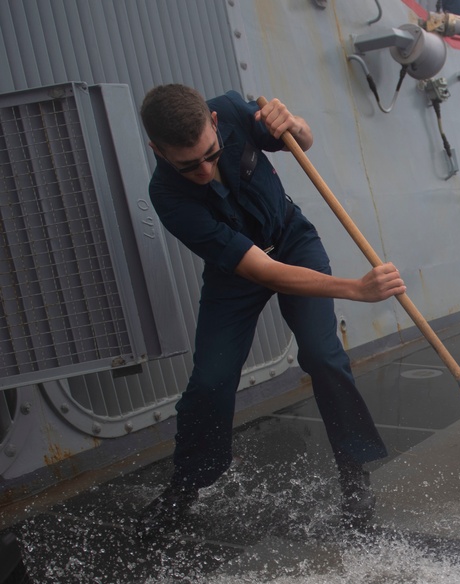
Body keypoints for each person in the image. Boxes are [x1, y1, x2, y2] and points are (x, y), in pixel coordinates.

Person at [138, 84, 406, 531]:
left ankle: (355, 475)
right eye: (188, 165)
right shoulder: (167, 196)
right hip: (239, 271)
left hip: (293, 241)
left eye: (211, 153)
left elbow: (302, 141)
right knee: (210, 381)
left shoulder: (233, 112)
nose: (204, 169)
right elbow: (260, 270)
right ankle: (186, 485)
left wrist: (294, 123)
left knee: (323, 356)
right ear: (158, 151)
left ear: (215, 123)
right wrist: (354, 289)